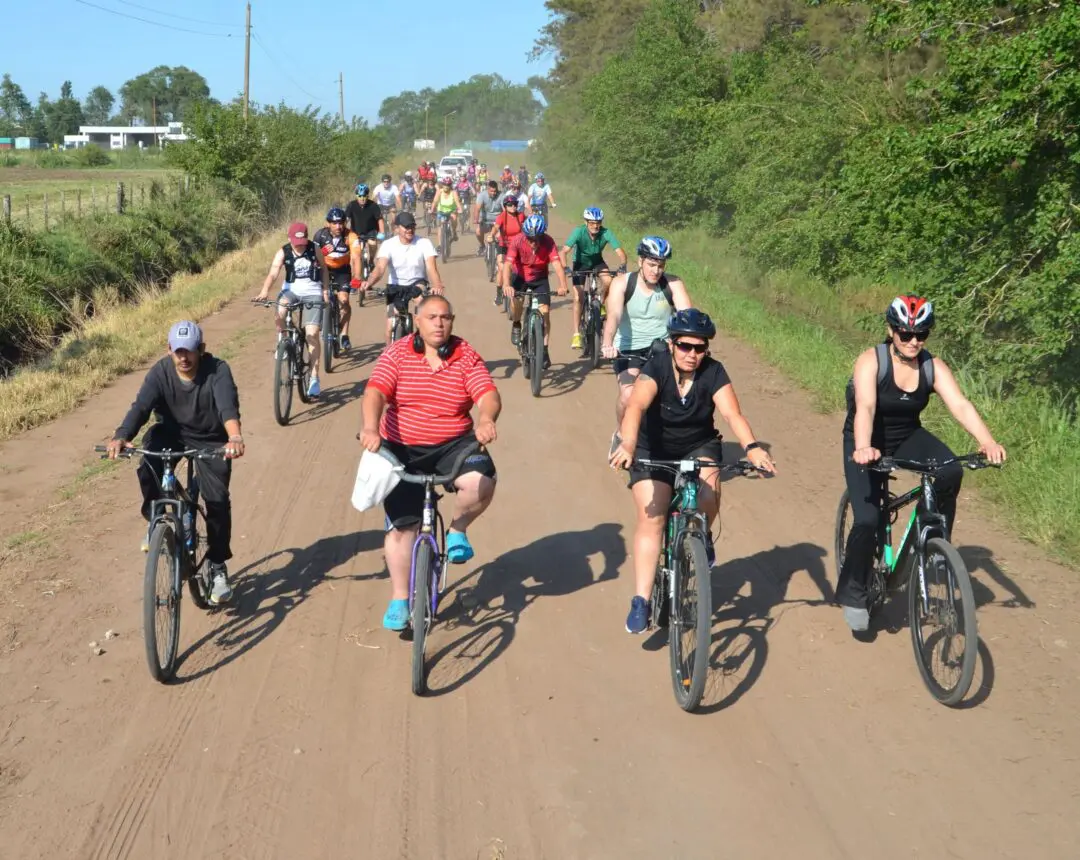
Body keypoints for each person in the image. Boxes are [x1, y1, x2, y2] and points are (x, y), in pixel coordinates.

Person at [838, 296, 1007, 632]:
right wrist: (862, 447)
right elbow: (866, 408)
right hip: (866, 439)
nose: (913, 341)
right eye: (905, 334)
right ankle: (854, 591)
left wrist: (986, 440)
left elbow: (959, 404)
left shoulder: (932, 366)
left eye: (921, 334)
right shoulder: (871, 361)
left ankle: (933, 540)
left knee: (950, 470)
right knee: (869, 519)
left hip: (908, 435)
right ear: (891, 330)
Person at [609, 309, 776, 633]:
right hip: (651, 448)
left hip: (697, 444)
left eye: (700, 348)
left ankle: (701, 535)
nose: (692, 354)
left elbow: (732, 415)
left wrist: (752, 447)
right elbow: (636, 407)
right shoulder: (656, 367)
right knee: (653, 515)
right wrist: (627, 445)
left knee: (708, 493)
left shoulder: (713, 372)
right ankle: (642, 600)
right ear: (672, 344)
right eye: (686, 346)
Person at [359, 294, 501, 630]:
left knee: (480, 482)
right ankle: (399, 598)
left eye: (446, 317)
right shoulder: (397, 353)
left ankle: (456, 532)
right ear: (417, 321)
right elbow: (375, 392)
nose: (439, 323)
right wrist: (369, 428)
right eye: (432, 317)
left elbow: (487, 394)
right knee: (401, 530)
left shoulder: (465, 355)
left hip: (453, 443)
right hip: (401, 448)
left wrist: (486, 419)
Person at [106, 321, 246, 606]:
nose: (184, 357)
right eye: (178, 351)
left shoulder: (218, 371)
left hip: (211, 439)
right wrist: (122, 436)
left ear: (201, 350)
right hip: (172, 434)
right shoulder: (160, 372)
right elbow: (141, 407)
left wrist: (234, 437)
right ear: (169, 349)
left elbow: (227, 407)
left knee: (217, 501)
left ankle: (218, 567)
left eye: (190, 351)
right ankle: (155, 519)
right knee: (147, 459)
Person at [602, 236, 692, 429]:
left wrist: (690, 344)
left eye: (661, 265)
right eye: (651, 264)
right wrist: (607, 343)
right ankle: (621, 434)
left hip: (663, 349)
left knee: (681, 396)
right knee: (627, 396)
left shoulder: (673, 284)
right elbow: (614, 316)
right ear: (640, 261)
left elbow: (686, 318)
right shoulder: (622, 283)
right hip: (628, 349)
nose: (656, 271)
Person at [254, 222, 331, 398]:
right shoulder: (283, 252)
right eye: (296, 242)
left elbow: (324, 270)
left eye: (303, 241)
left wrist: (325, 291)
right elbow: (273, 273)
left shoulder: (315, 249)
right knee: (279, 312)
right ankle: (284, 342)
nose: (300, 245)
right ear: (289, 239)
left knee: (312, 334)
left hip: (312, 293)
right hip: (291, 292)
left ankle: (313, 378)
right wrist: (264, 291)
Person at [362, 211, 445, 345]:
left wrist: (437, 285)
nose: (410, 230)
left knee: (420, 302)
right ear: (396, 229)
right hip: (395, 286)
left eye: (412, 226)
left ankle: (422, 340)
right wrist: (369, 282)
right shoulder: (388, 245)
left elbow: (431, 269)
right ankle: (389, 356)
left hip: (417, 282)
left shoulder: (424, 243)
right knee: (389, 327)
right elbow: (380, 268)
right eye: (406, 227)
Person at [505, 214, 570, 370]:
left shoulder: (548, 242)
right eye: (530, 238)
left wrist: (563, 285)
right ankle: (516, 323)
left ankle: (544, 349)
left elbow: (556, 264)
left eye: (537, 239)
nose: (533, 242)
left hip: (540, 279)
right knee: (517, 306)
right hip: (520, 277)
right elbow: (507, 265)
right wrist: (507, 285)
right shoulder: (517, 241)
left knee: (545, 312)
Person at [562, 207, 628, 349]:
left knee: (609, 281)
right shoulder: (578, 232)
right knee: (578, 297)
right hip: (580, 264)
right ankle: (576, 335)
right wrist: (565, 267)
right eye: (592, 222)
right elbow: (564, 251)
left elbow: (620, 252)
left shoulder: (606, 233)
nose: (595, 226)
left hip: (597, 262)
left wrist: (623, 265)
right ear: (586, 222)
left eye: (598, 222)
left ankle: (602, 303)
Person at [312, 207, 356, 351]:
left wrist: (357, 278)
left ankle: (344, 334)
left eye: (341, 223)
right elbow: (312, 259)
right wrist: (322, 253)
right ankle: (319, 324)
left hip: (342, 271)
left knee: (344, 301)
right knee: (318, 300)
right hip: (324, 270)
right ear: (328, 223)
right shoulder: (320, 236)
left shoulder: (350, 236)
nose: (338, 226)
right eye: (335, 223)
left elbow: (356, 258)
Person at [345, 183, 386, 289]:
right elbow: (346, 219)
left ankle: (371, 261)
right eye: (360, 196)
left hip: (370, 232)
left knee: (372, 244)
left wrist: (381, 232)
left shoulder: (373, 205)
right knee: (354, 257)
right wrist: (343, 232)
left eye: (364, 196)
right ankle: (355, 280)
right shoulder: (351, 205)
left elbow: (379, 219)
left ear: (367, 196)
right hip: (356, 233)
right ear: (356, 196)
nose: (362, 199)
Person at [490, 193, 524, 306]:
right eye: (510, 205)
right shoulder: (502, 216)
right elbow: (496, 227)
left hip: (517, 246)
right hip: (503, 245)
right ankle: (499, 293)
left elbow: (529, 225)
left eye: (515, 204)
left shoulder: (521, 216)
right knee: (502, 268)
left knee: (520, 268)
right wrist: (491, 235)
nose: (513, 206)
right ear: (505, 206)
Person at [474, 179, 502, 260]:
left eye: (495, 191)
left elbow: (505, 208)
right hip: (485, 221)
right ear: (487, 189)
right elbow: (477, 208)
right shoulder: (482, 195)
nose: (494, 193)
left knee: (500, 237)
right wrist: (476, 219)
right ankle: (482, 245)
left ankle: (499, 250)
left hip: (497, 222)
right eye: (491, 191)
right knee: (478, 232)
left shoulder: (501, 195)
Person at [429, 176, 463, 241]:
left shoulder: (453, 192)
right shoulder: (439, 191)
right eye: (444, 184)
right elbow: (435, 201)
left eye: (448, 185)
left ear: (450, 186)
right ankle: (439, 245)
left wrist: (460, 209)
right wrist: (432, 210)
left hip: (451, 211)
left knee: (454, 218)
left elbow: (457, 202)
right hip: (441, 211)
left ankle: (454, 231)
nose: (446, 186)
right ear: (442, 185)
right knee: (440, 228)